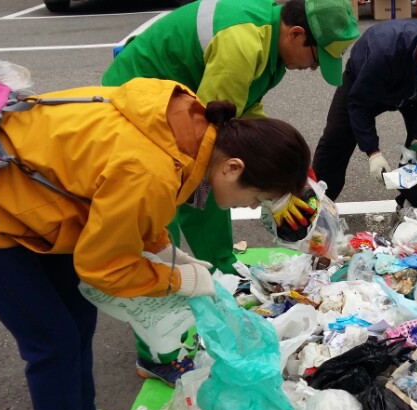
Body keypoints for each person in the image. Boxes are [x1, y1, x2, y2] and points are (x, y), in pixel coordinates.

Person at [0, 78, 311, 410]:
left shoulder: (191, 126)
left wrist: (165, 252)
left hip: (37, 193)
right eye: (256, 197)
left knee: (77, 317)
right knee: (51, 341)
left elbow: (124, 200)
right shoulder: (152, 169)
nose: (249, 208)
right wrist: (176, 280)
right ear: (233, 167)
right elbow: (102, 267)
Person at [102, 0, 359, 385]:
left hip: (180, 111)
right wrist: (273, 192)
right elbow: (213, 141)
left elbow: (242, 110)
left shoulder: (271, 47)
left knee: (210, 192)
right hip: (140, 114)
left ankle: (218, 270)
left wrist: (292, 173)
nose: (312, 67)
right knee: (163, 222)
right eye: (315, 57)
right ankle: (158, 351)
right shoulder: (243, 44)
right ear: (296, 33)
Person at [312, 19, 417, 216]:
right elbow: (358, 104)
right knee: (336, 137)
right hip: (367, 81)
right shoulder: (384, 55)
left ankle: (410, 204)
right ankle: (318, 203)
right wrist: (373, 152)